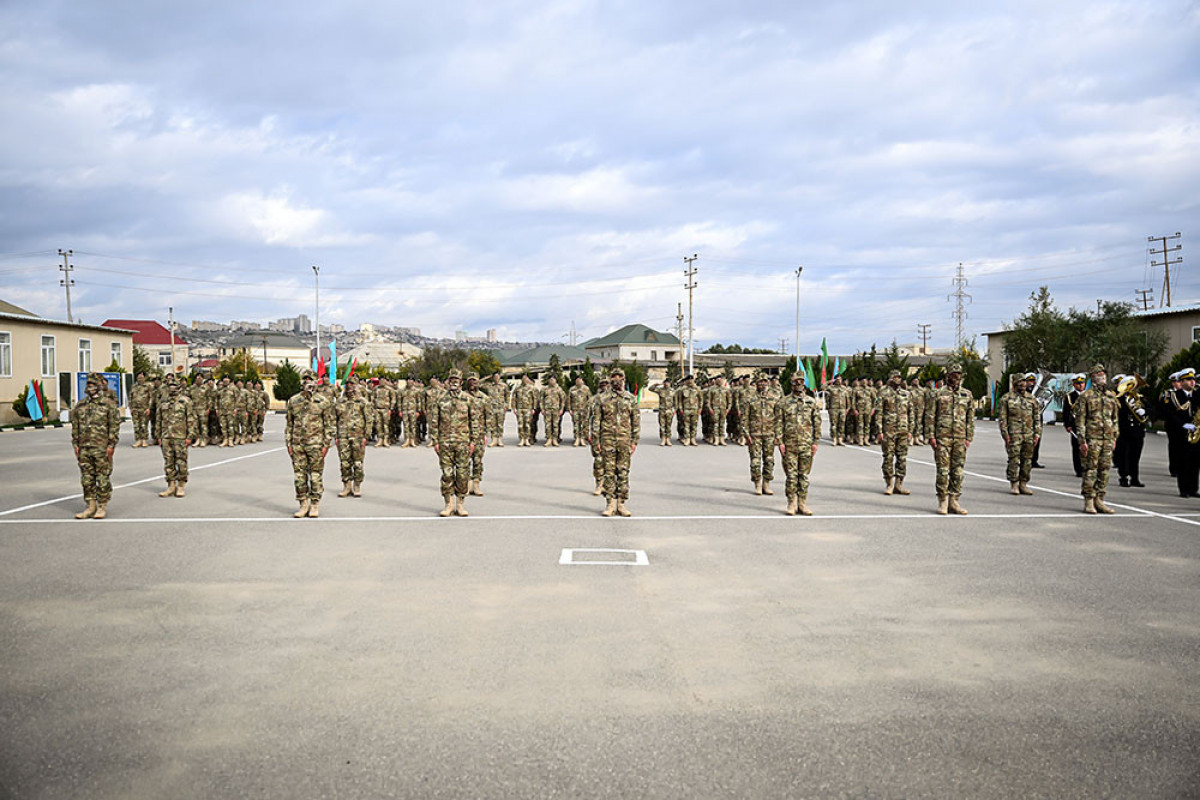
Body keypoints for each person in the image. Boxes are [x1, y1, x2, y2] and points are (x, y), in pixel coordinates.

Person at [429, 369, 482, 516]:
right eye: (452, 379)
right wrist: (435, 441)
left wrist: (473, 442)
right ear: (448, 380)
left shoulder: (468, 399)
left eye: (457, 379)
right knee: (447, 474)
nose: (454, 382)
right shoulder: (440, 399)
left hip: (463, 442)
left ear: (461, 382)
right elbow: (434, 421)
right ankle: (448, 504)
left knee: (462, 474)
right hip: (445, 442)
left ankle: (460, 504)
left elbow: (474, 422)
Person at [589, 368, 639, 517]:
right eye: (614, 377)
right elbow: (596, 421)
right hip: (607, 440)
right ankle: (610, 504)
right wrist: (596, 440)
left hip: (624, 441)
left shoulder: (630, 399)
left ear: (624, 379)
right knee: (609, 473)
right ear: (610, 379)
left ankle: (621, 504)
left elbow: (635, 421)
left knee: (623, 473)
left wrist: (634, 441)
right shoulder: (602, 398)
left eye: (620, 377)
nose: (617, 379)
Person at [286, 370, 335, 518]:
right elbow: (289, 424)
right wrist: (289, 442)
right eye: (305, 380)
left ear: (316, 382)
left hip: (316, 445)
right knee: (299, 477)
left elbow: (329, 425)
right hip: (298, 444)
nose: (308, 382)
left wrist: (326, 445)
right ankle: (303, 504)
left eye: (310, 380)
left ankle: (314, 504)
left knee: (315, 476)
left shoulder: (323, 402)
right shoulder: (294, 401)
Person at [927, 362, 975, 515]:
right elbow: (930, 416)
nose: (956, 377)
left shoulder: (967, 394)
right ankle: (943, 501)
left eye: (958, 374)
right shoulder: (938, 394)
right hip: (942, 438)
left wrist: (969, 437)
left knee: (958, 471)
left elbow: (970, 418)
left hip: (960, 438)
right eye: (953, 374)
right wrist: (930, 436)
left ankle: (954, 500)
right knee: (942, 470)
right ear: (947, 375)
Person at [72, 373, 121, 519]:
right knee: (86, 479)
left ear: (100, 387)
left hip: (101, 447)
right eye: (89, 385)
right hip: (84, 448)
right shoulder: (80, 405)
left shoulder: (108, 404)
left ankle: (101, 507)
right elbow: (75, 426)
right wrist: (75, 444)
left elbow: (114, 426)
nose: (91, 387)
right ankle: (90, 506)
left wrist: (111, 445)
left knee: (102, 478)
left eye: (94, 385)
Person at [1074, 363, 1121, 513]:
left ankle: (1100, 499)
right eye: (1099, 375)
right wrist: (1082, 441)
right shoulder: (1086, 397)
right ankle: (1089, 500)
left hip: (1107, 439)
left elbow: (1115, 419)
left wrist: (1114, 437)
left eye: (1104, 375)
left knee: (1104, 470)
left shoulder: (1110, 396)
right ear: (1093, 378)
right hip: (1092, 439)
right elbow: (1080, 420)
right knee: (1090, 470)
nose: (1102, 377)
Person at [776, 374, 821, 515]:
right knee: (791, 476)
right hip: (789, 445)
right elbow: (778, 423)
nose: (799, 384)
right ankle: (791, 503)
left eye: (801, 382)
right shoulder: (783, 402)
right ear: (791, 383)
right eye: (796, 382)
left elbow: (817, 423)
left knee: (804, 476)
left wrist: (815, 442)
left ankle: (802, 503)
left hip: (806, 444)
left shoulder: (811, 402)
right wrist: (780, 442)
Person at [998, 372, 1042, 496]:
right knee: (1014, 460)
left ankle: (1023, 483)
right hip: (1014, 434)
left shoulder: (1031, 398)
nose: (1023, 385)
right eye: (1020, 382)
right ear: (1015, 383)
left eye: (1024, 382)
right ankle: (1014, 483)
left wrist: (1037, 433)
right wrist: (1005, 435)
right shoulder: (1006, 399)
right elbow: (1003, 419)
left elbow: (1037, 417)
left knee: (1027, 460)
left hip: (1029, 434)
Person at [873, 369, 916, 496]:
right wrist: (879, 430)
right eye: (895, 377)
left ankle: (899, 484)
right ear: (891, 378)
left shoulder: (906, 394)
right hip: (888, 430)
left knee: (902, 458)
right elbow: (878, 413)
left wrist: (911, 430)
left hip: (903, 429)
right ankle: (889, 484)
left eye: (899, 377)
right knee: (888, 457)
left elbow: (911, 413)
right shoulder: (883, 393)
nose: (897, 379)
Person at [156, 375, 197, 498]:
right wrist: (158, 435)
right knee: (168, 462)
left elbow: (190, 419)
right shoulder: (163, 401)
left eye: (174, 386)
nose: (172, 388)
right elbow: (158, 419)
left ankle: (181, 485)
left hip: (180, 436)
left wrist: (190, 436)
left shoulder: (185, 401)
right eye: (170, 386)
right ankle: (170, 485)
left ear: (179, 387)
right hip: (166, 436)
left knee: (181, 461)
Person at [1165, 368, 1199, 498]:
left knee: (1195, 462)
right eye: (1189, 380)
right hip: (1181, 433)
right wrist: (1183, 424)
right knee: (1184, 461)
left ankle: (1193, 488)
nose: (1192, 382)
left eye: (1193, 380)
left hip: (1196, 432)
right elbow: (1170, 413)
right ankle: (1184, 489)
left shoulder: (1197, 395)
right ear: (1182, 381)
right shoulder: (1175, 396)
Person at [334, 380, 372, 498]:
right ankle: (346, 486)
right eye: (347, 384)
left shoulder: (362, 402)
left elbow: (369, 420)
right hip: (343, 436)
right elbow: (333, 420)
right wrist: (336, 436)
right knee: (344, 463)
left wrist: (366, 436)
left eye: (352, 384)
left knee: (358, 463)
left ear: (356, 386)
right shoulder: (340, 402)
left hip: (358, 437)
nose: (349, 387)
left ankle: (357, 486)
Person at [744, 372, 779, 495]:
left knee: (769, 460)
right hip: (755, 434)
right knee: (755, 461)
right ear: (756, 383)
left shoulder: (774, 398)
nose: (762, 384)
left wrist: (778, 435)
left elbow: (779, 418)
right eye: (760, 381)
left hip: (770, 434)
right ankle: (757, 484)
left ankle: (766, 484)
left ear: (768, 383)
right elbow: (744, 418)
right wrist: (746, 434)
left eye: (764, 381)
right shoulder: (750, 398)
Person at [1114, 376, 1148, 488]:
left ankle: (1135, 478)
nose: (1133, 388)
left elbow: (1152, 409)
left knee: (1135, 456)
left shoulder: (1140, 398)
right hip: (1125, 432)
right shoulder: (1119, 399)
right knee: (1124, 456)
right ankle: (1123, 477)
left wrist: (1144, 411)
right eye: (1130, 386)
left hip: (1138, 432)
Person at [465, 372, 490, 495]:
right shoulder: (462, 397)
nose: (472, 383)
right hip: (465, 435)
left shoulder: (484, 398)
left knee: (478, 461)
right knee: (464, 461)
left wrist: (487, 435)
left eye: (475, 380)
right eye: (470, 380)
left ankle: (476, 485)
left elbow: (488, 417)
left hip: (479, 434)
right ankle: (466, 485)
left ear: (478, 382)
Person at [588, 375, 610, 495]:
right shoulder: (593, 400)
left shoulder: (613, 399)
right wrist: (586, 433)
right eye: (602, 385)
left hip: (611, 435)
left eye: (607, 385)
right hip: (597, 435)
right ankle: (599, 484)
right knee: (598, 461)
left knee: (612, 463)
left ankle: (610, 485)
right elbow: (585, 417)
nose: (604, 387)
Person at [1061, 373, 1086, 477]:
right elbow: (1066, 411)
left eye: (1082, 383)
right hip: (1075, 425)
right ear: (1074, 384)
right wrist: (1067, 425)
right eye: (1078, 383)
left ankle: (1087, 467)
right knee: (1077, 448)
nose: (1080, 385)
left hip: (1088, 425)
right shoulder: (1070, 396)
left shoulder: (1088, 395)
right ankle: (1079, 469)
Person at [675, 374, 702, 446]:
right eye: (688, 380)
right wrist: (680, 408)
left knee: (694, 425)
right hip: (686, 409)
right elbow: (680, 400)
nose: (690, 381)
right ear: (686, 381)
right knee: (686, 425)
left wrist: (700, 408)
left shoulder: (697, 389)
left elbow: (701, 399)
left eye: (691, 380)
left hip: (695, 409)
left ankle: (693, 439)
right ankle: (687, 439)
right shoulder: (682, 389)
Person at [539, 376, 567, 447]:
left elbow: (563, 400)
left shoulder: (559, 389)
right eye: (550, 379)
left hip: (556, 410)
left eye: (553, 379)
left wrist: (561, 409)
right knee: (547, 425)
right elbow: (541, 400)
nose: (551, 381)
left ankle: (555, 439)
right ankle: (549, 439)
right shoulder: (544, 389)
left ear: (555, 380)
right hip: (547, 410)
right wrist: (542, 409)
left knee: (555, 425)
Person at [512, 375, 538, 447]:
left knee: (527, 425)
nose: (524, 380)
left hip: (528, 409)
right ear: (521, 379)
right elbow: (514, 398)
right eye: (523, 379)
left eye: (526, 379)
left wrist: (534, 408)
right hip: (519, 409)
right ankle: (521, 439)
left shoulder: (531, 388)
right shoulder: (517, 388)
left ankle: (527, 439)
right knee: (520, 425)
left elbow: (534, 398)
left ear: (527, 380)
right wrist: (514, 408)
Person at [649, 378, 675, 446]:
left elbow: (675, 401)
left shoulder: (673, 391)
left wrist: (675, 409)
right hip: (662, 410)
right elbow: (650, 388)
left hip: (669, 410)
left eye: (668, 383)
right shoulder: (660, 390)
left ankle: (668, 439)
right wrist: (656, 384)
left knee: (668, 426)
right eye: (666, 382)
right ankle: (663, 439)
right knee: (662, 426)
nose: (667, 384)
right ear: (664, 383)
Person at [129, 373, 153, 447]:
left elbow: (151, 398)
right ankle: (138, 440)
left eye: (141, 378)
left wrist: (149, 408)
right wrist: (131, 408)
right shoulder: (134, 387)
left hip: (144, 409)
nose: (140, 379)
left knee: (144, 425)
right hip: (135, 409)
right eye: (139, 378)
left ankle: (144, 440)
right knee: (136, 425)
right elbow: (130, 398)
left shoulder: (148, 386)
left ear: (144, 378)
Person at [568, 376, 592, 447]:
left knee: (583, 425)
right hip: (575, 409)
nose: (578, 381)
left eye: (580, 380)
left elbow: (590, 399)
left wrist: (589, 409)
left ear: (582, 381)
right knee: (576, 424)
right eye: (577, 380)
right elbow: (569, 399)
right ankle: (577, 438)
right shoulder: (572, 389)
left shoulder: (586, 389)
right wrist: (569, 409)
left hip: (584, 410)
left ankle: (582, 439)